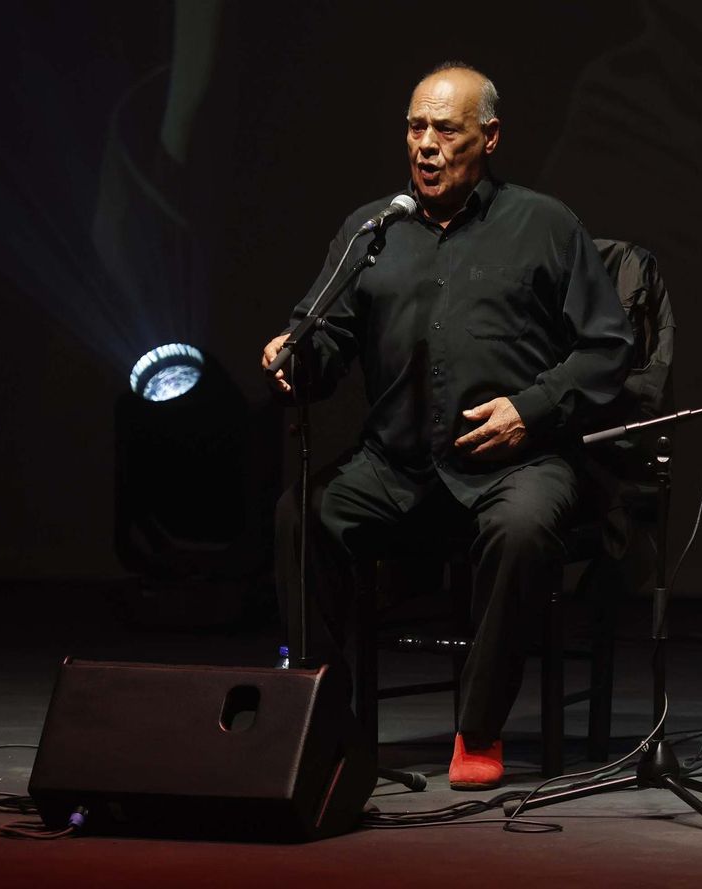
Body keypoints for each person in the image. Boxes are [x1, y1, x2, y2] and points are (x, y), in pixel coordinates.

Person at [261, 62, 633, 791]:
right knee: (301, 517)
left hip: (515, 464)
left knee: (524, 527)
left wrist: (531, 409)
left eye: (446, 129)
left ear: (489, 138)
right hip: (397, 464)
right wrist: (291, 356)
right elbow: (325, 342)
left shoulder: (545, 224)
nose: (425, 144)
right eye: (415, 127)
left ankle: (480, 724)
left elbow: (608, 349)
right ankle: (323, 715)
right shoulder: (373, 231)